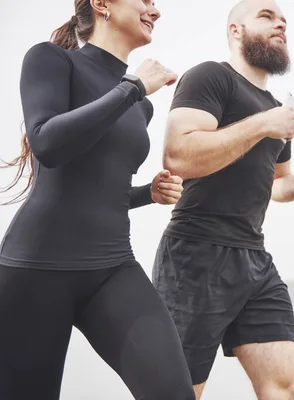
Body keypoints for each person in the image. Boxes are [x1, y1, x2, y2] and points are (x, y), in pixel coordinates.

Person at [0, 0, 196, 399]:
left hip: (111, 268)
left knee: (173, 393)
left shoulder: (141, 106)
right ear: (102, 3)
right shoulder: (51, 60)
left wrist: (147, 193)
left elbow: (97, 189)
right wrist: (132, 87)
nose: (154, 10)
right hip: (37, 268)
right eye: (144, 0)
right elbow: (47, 144)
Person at [152, 0, 294, 398]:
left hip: (254, 260)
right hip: (195, 254)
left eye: (284, 20)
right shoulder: (210, 77)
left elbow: (275, 183)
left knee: (286, 389)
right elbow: (179, 155)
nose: (280, 24)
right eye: (266, 16)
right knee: (178, 392)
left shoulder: (277, 110)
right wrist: (263, 125)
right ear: (235, 30)